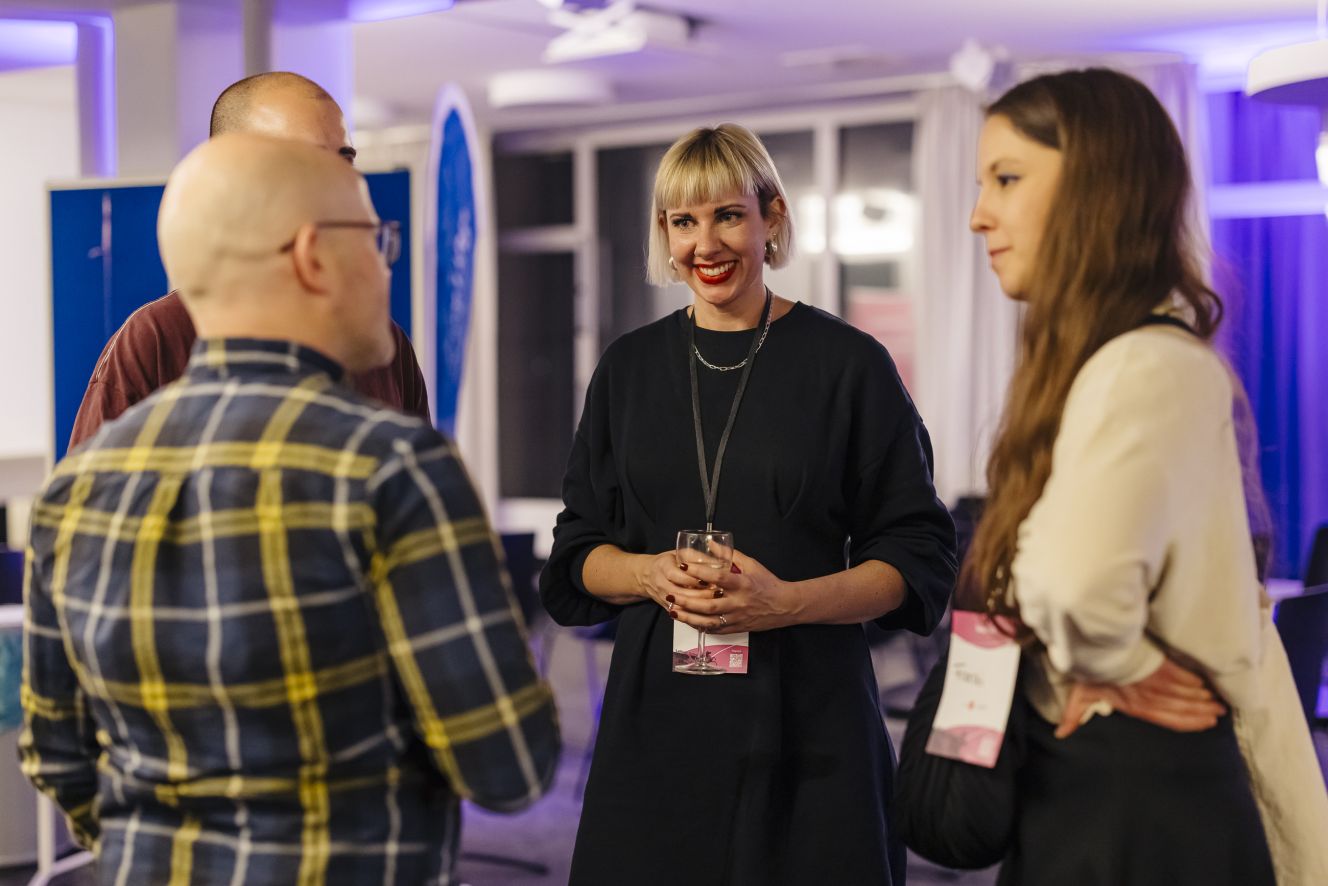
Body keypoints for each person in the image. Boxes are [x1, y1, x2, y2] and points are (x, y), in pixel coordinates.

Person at [20, 133, 559, 885]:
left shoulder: (74, 489)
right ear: (312, 257)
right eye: (375, 240)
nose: (386, 265)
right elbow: (508, 764)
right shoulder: (390, 465)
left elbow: (54, 751)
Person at [540, 123, 957, 885]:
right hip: (656, 730)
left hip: (811, 724)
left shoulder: (849, 365)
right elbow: (576, 554)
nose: (706, 244)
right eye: (683, 220)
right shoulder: (628, 369)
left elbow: (918, 559)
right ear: (665, 235)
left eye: (728, 215)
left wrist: (785, 603)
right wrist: (645, 574)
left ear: (772, 217)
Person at [964, 67, 1328, 885]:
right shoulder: (1111, 363)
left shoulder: (1143, 365)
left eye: (1007, 179)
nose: (979, 213)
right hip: (1107, 785)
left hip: (1143, 798)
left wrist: (1124, 665)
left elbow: (1072, 586)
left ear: (1098, 189)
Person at [68, 71, 429, 450]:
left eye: (345, 160)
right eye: (306, 161)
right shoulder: (157, 339)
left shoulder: (382, 346)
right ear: (234, 172)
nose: (340, 182)